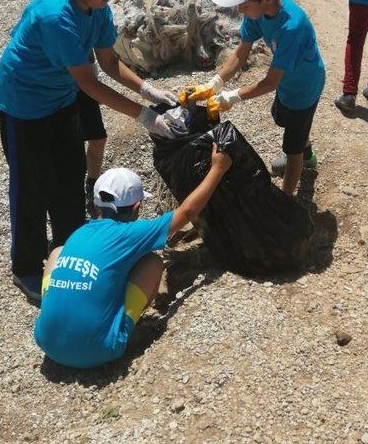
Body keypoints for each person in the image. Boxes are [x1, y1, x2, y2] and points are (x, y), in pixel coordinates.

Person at [0, 0, 177, 305]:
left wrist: (147, 90)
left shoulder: (98, 10)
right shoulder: (55, 18)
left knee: (69, 172)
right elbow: (90, 84)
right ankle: (27, 267)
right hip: (23, 104)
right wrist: (144, 117)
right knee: (30, 185)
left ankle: (69, 246)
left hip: (60, 100)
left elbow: (109, 63)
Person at [34, 148, 231, 369]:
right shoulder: (131, 233)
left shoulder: (79, 233)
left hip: (47, 344)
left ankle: (56, 316)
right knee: (153, 262)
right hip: (99, 350)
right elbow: (186, 212)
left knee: (57, 253)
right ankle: (126, 325)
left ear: (98, 204)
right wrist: (218, 168)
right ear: (137, 207)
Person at [190, 0, 326, 196]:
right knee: (285, 121)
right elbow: (240, 54)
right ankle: (307, 152)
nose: (239, 7)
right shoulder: (258, 13)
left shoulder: (290, 28)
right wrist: (215, 83)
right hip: (287, 83)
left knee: (291, 148)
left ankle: (288, 198)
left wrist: (231, 97)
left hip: (304, 89)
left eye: (243, 2)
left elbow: (271, 81)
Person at [16, 0, 109, 216]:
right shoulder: (43, 11)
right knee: (62, 154)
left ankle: (90, 186)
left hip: (81, 80)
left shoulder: (87, 1)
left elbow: (93, 46)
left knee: (98, 136)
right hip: (56, 89)